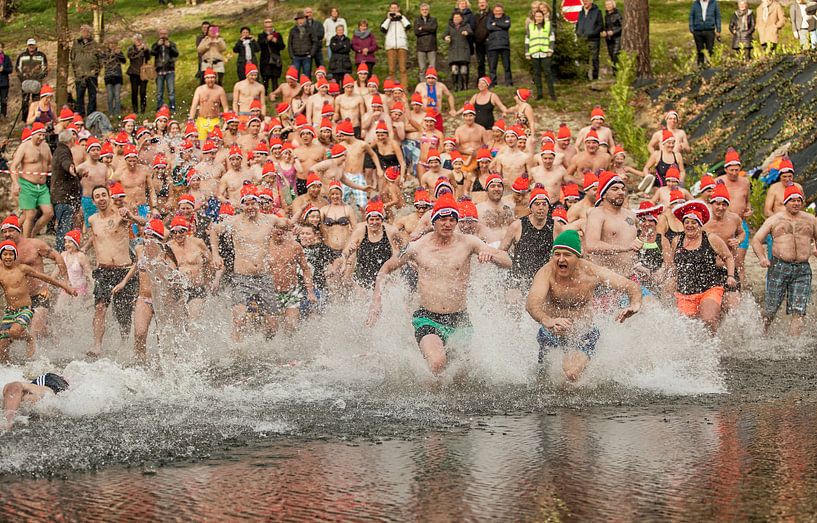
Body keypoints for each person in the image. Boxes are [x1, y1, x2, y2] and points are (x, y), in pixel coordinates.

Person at [366, 194, 512, 376]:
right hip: (428, 318)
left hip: (459, 319)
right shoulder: (418, 247)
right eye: (442, 219)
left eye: (452, 220)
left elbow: (507, 261)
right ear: (433, 221)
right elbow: (385, 268)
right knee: (437, 363)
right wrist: (376, 301)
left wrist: (492, 256)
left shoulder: (469, 243)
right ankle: (429, 401)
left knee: (462, 374)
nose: (448, 224)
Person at [526, 230, 640, 381]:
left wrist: (634, 305)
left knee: (571, 373)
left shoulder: (592, 272)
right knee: (545, 381)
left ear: (577, 257)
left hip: (584, 333)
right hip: (552, 333)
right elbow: (532, 304)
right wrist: (548, 320)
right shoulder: (547, 272)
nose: (560, 259)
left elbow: (630, 286)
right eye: (557, 254)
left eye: (567, 255)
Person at [209, 186, 289, 341]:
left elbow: (286, 223)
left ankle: (265, 349)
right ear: (242, 205)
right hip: (242, 278)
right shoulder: (234, 221)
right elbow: (214, 230)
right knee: (238, 320)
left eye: (254, 203)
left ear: (258, 204)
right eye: (247, 204)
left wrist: (294, 226)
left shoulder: (269, 219)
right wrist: (215, 255)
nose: (251, 207)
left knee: (273, 325)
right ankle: (236, 354)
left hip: (264, 277)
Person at [751, 185, 817, 336]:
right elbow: (756, 240)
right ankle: (760, 336)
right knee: (770, 308)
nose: (795, 203)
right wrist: (762, 258)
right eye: (792, 200)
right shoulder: (775, 219)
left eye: (798, 200)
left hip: (803, 269)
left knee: (799, 310)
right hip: (779, 266)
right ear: (785, 202)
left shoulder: (811, 219)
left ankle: (792, 346)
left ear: (802, 202)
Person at [88, 185, 145, 357]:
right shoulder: (92, 220)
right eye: (97, 196)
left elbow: (143, 223)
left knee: (123, 313)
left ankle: (124, 342)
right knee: (99, 307)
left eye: (104, 195)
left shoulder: (121, 215)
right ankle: (97, 346)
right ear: (93, 201)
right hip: (103, 271)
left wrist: (131, 216)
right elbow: (97, 240)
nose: (101, 198)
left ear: (110, 197)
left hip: (123, 269)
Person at [0, 240, 76, 364]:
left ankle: (29, 338)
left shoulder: (22, 268)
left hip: (24, 309)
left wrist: (65, 286)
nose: (8, 257)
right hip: (10, 311)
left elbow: (44, 277)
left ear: (15, 255)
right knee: (2, 345)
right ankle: (8, 370)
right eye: (5, 254)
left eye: (10, 254)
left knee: (14, 332)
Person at [668, 201, 736, 333]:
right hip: (685, 293)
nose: (690, 225)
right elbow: (674, 265)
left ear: (700, 224)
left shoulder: (711, 239)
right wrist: (671, 281)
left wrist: (731, 276)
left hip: (709, 288)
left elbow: (728, 257)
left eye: (694, 222)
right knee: (687, 329)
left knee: (708, 320)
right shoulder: (677, 240)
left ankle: (713, 347)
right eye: (687, 222)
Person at [9, 123, 53, 238]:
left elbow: (50, 163)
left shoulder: (46, 146)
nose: (42, 137)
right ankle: (25, 240)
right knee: (30, 214)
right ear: (33, 134)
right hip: (27, 184)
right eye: (39, 135)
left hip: (42, 187)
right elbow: (13, 166)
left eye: (44, 135)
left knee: (49, 213)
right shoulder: (24, 147)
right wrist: (15, 183)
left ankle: (33, 234)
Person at [2, 372, 70, 430]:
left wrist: (8, 420)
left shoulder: (45, 394)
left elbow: (15, 386)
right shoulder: (42, 397)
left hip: (51, 382)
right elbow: (15, 387)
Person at [50, 130, 80, 251]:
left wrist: (79, 175)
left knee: (65, 226)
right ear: (71, 140)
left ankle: (64, 252)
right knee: (64, 227)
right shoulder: (63, 151)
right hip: (64, 196)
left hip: (61, 195)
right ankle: (62, 253)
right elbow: (65, 163)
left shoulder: (58, 150)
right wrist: (70, 167)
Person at [189, 68, 229, 143]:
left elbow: (226, 108)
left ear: (215, 78)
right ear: (204, 79)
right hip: (202, 120)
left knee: (216, 144)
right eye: (208, 78)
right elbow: (194, 106)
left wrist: (226, 122)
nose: (210, 80)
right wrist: (190, 120)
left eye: (212, 77)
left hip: (215, 120)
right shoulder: (199, 90)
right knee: (201, 144)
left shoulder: (220, 90)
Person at [525, 8, 556, 100]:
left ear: (543, 17)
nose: (538, 18)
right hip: (534, 53)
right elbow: (527, 40)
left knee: (548, 73)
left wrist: (550, 50)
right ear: (534, 17)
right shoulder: (530, 26)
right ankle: (539, 94)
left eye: (540, 16)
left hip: (545, 53)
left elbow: (552, 38)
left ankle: (552, 94)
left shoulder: (548, 25)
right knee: (536, 74)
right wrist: (527, 52)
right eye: (537, 16)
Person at [381, 2, 412, 88]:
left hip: (402, 45)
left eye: (395, 8)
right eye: (392, 8)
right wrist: (389, 19)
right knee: (391, 70)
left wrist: (401, 17)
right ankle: (391, 89)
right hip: (390, 46)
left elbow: (408, 26)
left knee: (403, 69)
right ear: (389, 9)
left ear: (398, 9)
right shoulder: (387, 19)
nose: (394, 9)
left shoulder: (402, 18)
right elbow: (383, 29)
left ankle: (404, 89)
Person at [15, 38, 48, 111]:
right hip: (25, 82)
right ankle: (25, 119)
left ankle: (35, 118)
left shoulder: (41, 56)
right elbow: (18, 68)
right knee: (25, 101)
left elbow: (45, 68)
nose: (31, 46)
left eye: (32, 45)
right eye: (30, 45)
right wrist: (22, 79)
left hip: (36, 82)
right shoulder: (22, 56)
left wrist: (39, 79)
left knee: (36, 101)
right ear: (27, 46)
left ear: (35, 45)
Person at [444, 10, 473, 92]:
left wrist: (467, 33)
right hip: (453, 51)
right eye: (455, 17)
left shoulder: (466, 25)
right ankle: (455, 87)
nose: (456, 19)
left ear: (461, 18)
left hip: (463, 50)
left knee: (464, 70)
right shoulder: (449, 26)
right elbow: (444, 34)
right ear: (452, 19)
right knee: (454, 70)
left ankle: (465, 86)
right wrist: (446, 37)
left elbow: (471, 32)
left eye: (458, 17)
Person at [152, 29, 178, 113]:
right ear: (159, 35)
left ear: (167, 34)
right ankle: (159, 108)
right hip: (159, 70)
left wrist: (169, 46)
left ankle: (172, 108)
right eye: (161, 34)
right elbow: (152, 53)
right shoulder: (156, 44)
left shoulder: (172, 44)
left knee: (171, 91)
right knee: (159, 91)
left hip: (169, 70)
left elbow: (176, 54)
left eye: (165, 34)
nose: (163, 35)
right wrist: (157, 46)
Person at [486, 3, 512, 86]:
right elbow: (489, 27)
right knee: (492, 66)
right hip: (493, 46)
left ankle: (509, 82)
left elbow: (507, 25)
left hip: (504, 45)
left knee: (507, 65)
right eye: (496, 11)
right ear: (493, 11)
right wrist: (501, 27)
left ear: (503, 11)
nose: (498, 12)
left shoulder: (507, 18)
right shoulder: (489, 19)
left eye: (500, 11)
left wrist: (496, 24)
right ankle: (493, 83)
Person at [689, 0, 721, 66]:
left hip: (710, 30)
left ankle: (711, 68)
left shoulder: (713, 3)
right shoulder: (695, 3)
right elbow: (691, 16)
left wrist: (718, 29)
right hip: (698, 31)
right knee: (700, 51)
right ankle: (701, 69)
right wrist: (691, 28)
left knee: (710, 50)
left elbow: (717, 16)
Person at [576, 0, 603, 81]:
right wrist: (578, 32)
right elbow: (578, 24)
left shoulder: (597, 12)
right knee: (584, 59)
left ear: (591, 1)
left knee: (594, 59)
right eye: (583, 1)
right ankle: (584, 77)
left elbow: (600, 26)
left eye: (586, 1)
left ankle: (595, 77)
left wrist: (592, 33)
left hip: (593, 39)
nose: (585, 2)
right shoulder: (580, 12)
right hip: (582, 39)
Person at [258, 19, 286, 93]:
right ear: (264, 28)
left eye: (270, 27)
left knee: (275, 78)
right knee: (265, 78)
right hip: (265, 60)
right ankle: (265, 94)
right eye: (267, 27)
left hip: (275, 60)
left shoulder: (277, 35)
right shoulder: (261, 36)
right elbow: (258, 47)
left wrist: (276, 41)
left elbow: (282, 46)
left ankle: (274, 94)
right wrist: (266, 40)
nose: (268, 29)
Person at [126, 34, 152, 114]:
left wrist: (146, 50)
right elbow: (130, 56)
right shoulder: (131, 48)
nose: (138, 41)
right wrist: (138, 50)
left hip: (143, 73)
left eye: (139, 39)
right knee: (134, 92)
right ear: (134, 41)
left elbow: (148, 57)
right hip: (134, 73)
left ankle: (143, 109)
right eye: (136, 40)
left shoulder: (145, 48)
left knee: (143, 92)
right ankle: (135, 110)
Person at [101, 40, 126, 118]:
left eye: (113, 43)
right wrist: (109, 54)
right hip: (108, 77)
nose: (112, 45)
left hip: (117, 76)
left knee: (117, 96)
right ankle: (111, 113)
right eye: (110, 43)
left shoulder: (119, 52)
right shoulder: (105, 53)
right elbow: (103, 61)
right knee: (110, 96)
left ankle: (117, 113)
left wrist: (118, 54)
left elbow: (124, 61)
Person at [289, 11, 317, 80]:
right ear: (297, 21)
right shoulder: (293, 30)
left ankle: (306, 90)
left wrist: (311, 54)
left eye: (302, 19)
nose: (301, 21)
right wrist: (292, 55)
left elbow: (315, 42)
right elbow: (290, 43)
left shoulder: (310, 29)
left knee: (307, 76)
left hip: (307, 57)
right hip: (296, 56)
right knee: (295, 77)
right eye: (299, 19)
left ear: (305, 19)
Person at [415, 4, 439, 77]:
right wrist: (428, 29)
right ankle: (422, 85)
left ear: (428, 10)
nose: (424, 11)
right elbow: (416, 32)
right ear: (420, 11)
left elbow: (433, 29)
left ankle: (434, 85)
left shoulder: (433, 19)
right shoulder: (417, 20)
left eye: (426, 9)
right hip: (420, 46)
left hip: (431, 46)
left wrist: (422, 28)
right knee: (422, 68)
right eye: (423, 9)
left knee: (432, 68)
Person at [602, 0, 622, 74]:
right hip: (609, 38)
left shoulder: (618, 14)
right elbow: (606, 26)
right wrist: (604, 31)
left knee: (615, 54)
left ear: (613, 5)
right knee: (611, 55)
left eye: (609, 4)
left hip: (617, 37)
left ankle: (618, 73)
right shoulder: (606, 15)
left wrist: (613, 32)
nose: (608, 6)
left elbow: (622, 26)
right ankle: (615, 73)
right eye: (606, 5)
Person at [0, 43, 12, 119]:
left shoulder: (6, 58)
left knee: (4, 100)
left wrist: (3, 69)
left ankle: (3, 115)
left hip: (4, 83)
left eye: (0, 47)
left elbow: (10, 69)